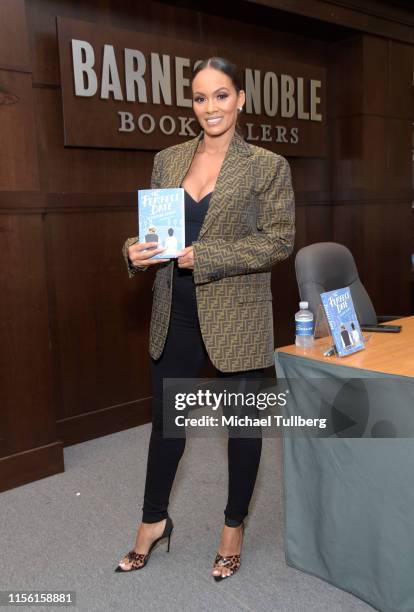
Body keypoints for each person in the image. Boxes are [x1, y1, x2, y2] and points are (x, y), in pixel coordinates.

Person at [117, 56, 295, 580]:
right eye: (200, 97)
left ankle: (233, 527)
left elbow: (280, 240)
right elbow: (151, 233)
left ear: (241, 98)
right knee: (167, 426)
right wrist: (133, 251)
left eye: (221, 95)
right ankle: (152, 522)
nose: (210, 107)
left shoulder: (266, 165)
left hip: (237, 315)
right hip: (175, 312)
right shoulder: (168, 159)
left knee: (242, 428)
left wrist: (209, 257)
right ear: (191, 105)